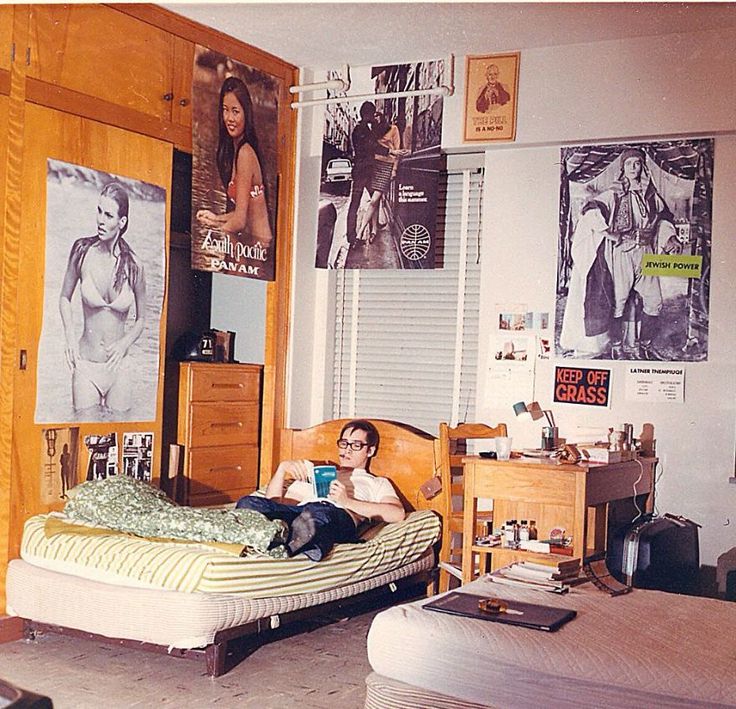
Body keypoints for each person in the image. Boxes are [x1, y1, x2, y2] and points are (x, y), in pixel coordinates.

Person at [235, 419, 405, 561]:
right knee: (248, 502)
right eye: (344, 443)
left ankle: (282, 543)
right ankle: (282, 535)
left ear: (370, 450)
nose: (347, 450)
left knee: (317, 512)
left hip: (337, 516)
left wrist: (347, 501)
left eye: (356, 445)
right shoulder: (320, 473)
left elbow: (397, 514)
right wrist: (282, 468)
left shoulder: (375, 482)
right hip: (302, 512)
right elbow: (272, 504)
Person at [59, 182, 146, 416]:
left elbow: (141, 319)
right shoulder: (81, 251)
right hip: (86, 365)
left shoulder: (134, 266)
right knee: (84, 438)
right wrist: (69, 338)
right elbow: (64, 298)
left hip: (119, 368)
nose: (100, 220)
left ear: (122, 222)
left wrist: (124, 344)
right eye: (99, 211)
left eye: (108, 215)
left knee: (120, 438)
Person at [594, 148, 680, 359]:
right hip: (622, 252)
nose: (634, 167)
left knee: (655, 301)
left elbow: (664, 218)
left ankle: (645, 345)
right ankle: (616, 346)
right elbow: (591, 210)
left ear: (642, 166)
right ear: (623, 168)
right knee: (618, 301)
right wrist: (609, 234)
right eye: (629, 163)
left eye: (637, 163)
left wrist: (670, 237)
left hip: (646, 252)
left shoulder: (650, 194)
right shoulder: (614, 193)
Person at [196, 76, 273, 246]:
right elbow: (242, 213)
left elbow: (240, 221)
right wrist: (216, 219)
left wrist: (212, 237)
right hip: (251, 245)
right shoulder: (236, 152)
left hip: (260, 248)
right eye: (225, 110)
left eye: (235, 111)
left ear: (246, 114)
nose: (229, 118)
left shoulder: (245, 153)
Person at [356, 112, 408, 244]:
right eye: (374, 117)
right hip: (374, 165)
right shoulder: (373, 131)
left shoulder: (393, 129)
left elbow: (397, 150)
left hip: (387, 166)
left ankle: (360, 231)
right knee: (376, 201)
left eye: (378, 117)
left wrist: (394, 170)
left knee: (374, 200)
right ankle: (373, 230)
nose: (376, 120)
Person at [345, 101, 378, 247]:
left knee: (373, 200)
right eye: (372, 113)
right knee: (357, 203)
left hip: (363, 171)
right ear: (367, 114)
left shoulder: (363, 129)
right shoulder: (361, 130)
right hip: (364, 172)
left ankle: (372, 228)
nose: (374, 116)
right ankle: (352, 236)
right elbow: (372, 147)